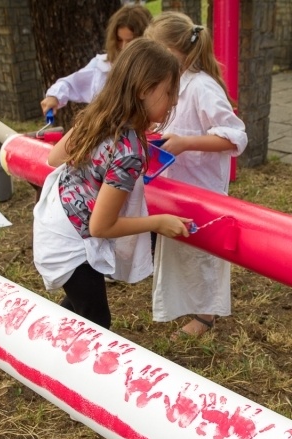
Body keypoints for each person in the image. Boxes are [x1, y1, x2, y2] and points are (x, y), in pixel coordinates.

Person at [33, 39, 191, 330]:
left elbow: (55, 158)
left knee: (79, 306)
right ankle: (58, 365)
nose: (174, 101)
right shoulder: (128, 151)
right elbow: (101, 227)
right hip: (71, 245)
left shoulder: (100, 113)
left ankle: (44, 338)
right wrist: (157, 222)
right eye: (169, 92)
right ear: (144, 90)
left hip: (53, 221)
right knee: (97, 322)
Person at [145, 12, 248, 338]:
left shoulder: (202, 87)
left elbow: (235, 136)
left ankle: (206, 316)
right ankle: (185, 305)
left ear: (178, 51)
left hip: (202, 190)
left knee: (204, 255)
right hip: (176, 187)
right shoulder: (172, 83)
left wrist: (186, 143)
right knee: (181, 249)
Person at [39, 4, 152, 118]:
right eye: (119, 40)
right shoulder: (102, 66)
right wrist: (54, 96)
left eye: (130, 41)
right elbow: (71, 83)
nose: (123, 47)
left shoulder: (155, 67)